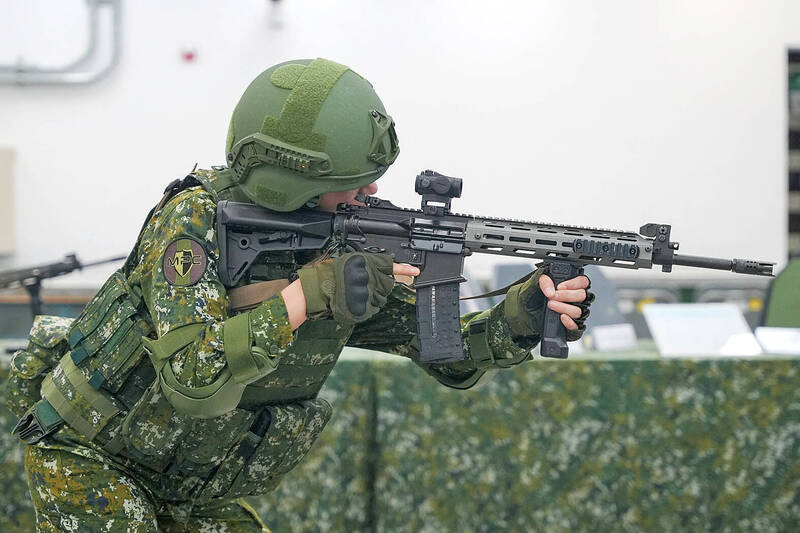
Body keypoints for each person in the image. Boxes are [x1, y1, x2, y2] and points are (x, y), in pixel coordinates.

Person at [7, 58, 593, 532]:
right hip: (95, 452)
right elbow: (193, 380)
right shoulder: (194, 220)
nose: (372, 190)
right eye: (351, 183)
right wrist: (307, 295)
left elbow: (446, 350)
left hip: (191, 480)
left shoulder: (346, 235)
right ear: (291, 181)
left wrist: (523, 312)